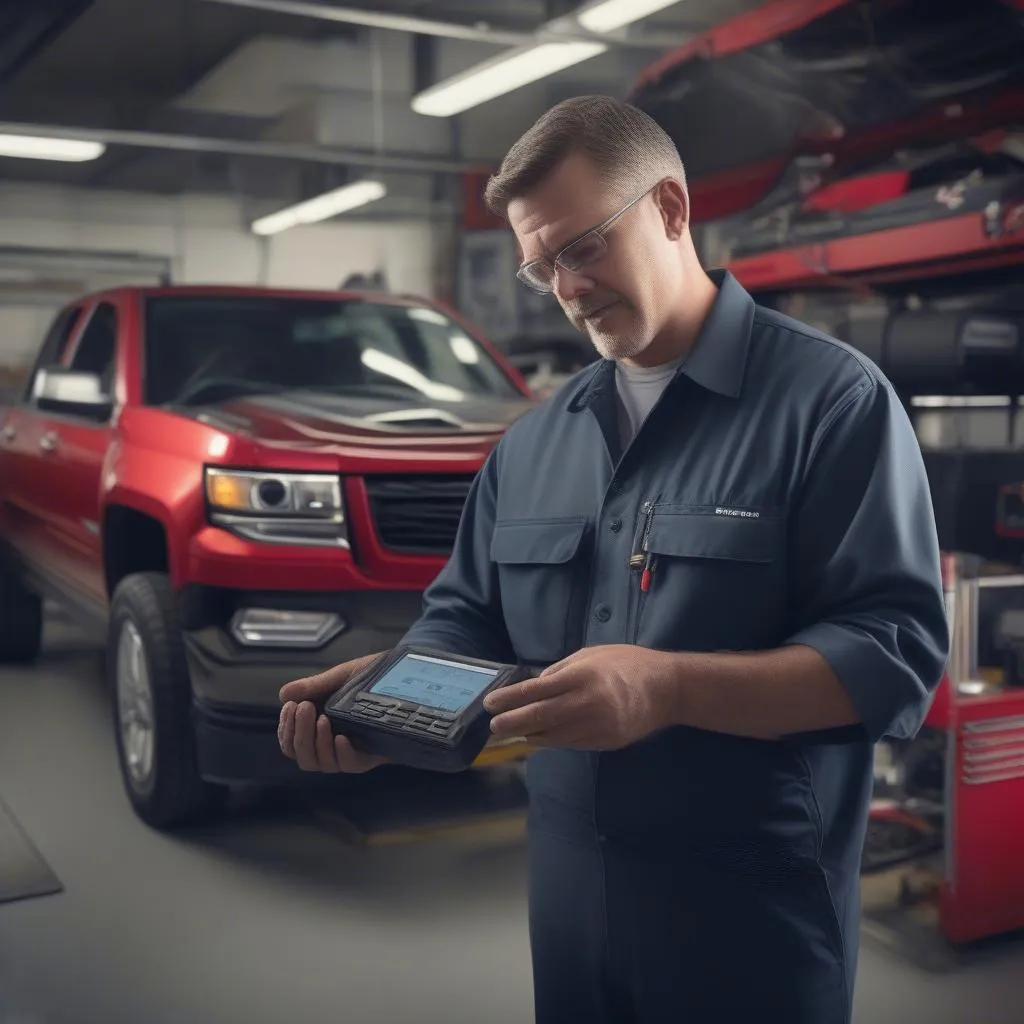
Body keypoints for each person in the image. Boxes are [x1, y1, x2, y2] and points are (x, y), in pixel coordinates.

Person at [277, 95, 949, 1023]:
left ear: (671, 208)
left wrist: (667, 689)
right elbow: (465, 619)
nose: (567, 287)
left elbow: (894, 654)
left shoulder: (831, 405)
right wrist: (389, 708)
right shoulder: (533, 443)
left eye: (583, 246)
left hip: (751, 930)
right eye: (541, 265)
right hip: (570, 915)